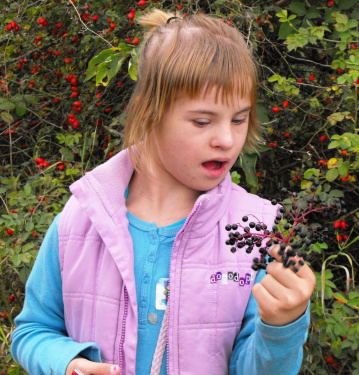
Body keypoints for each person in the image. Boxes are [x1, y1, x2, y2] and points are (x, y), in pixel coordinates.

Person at [11, 8, 316, 375]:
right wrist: (66, 363)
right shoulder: (82, 219)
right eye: (202, 121)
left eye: (239, 119)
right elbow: (32, 331)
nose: (227, 140)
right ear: (150, 112)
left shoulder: (259, 234)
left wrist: (283, 326)